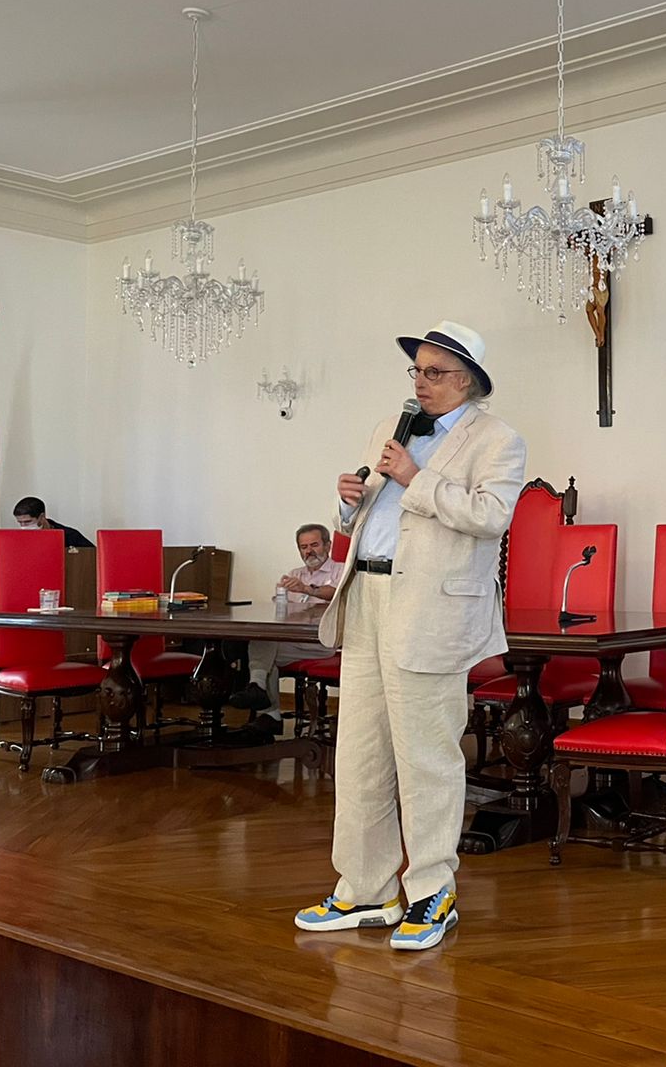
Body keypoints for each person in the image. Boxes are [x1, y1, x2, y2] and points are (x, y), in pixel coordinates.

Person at [294, 320, 525, 952]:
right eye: (416, 370)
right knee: (360, 752)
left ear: (467, 382)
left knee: (426, 757)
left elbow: (491, 517)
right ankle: (366, 889)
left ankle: (432, 892)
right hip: (366, 596)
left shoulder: (498, 440)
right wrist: (348, 504)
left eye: (434, 372)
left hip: (430, 610)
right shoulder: (389, 430)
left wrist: (414, 477)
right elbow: (374, 516)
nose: (420, 382)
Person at [229, 523, 343, 734]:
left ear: (328, 545)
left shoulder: (341, 570)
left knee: (262, 653)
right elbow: (279, 612)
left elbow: (337, 594)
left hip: (321, 642)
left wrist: (307, 589)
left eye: (314, 545)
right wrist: (280, 596)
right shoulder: (295, 574)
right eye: (303, 547)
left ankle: (266, 707)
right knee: (263, 644)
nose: (309, 551)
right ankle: (262, 697)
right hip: (291, 640)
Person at [12, 497, 94, 548]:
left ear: (42, 517)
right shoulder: (16, 540)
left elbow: (93, 555)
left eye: (27, 522)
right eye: (20, 522)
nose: (23, 526)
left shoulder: (69, 535)